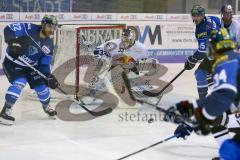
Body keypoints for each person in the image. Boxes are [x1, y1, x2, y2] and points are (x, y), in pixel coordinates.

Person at [166, 28, 240, 160]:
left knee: (219, 124)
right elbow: (221, 101)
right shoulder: (233, 57)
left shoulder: (228, 61)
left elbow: (220, 100)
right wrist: (190, 120)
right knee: (218, 123)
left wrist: (194, 113)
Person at [0, 15, 59, 125]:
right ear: (43, 24)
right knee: (19, 83)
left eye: (54, 27)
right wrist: (12, 42)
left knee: (42, 87)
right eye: (49, 26)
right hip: (13, 63)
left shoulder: (49, 45)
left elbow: (44, 63)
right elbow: (9, 28)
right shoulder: (29, 28)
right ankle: (5, 112)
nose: (51, 30)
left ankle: (46, 107)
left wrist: (48, 76)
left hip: (30, 66)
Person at [91, 28, 158, 99]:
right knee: (103, 62)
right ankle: (95, 85)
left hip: (131, 70)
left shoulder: (142, 48)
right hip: (114, 70)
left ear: (132, 39)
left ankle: (145, 87)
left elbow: (142, 65)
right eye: (123, 39)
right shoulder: (113, 44)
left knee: (149, 63)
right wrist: (106, 59)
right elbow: (97, 50)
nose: (124, 42)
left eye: (127, 40)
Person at [185, 5, 220, 99]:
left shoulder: (201, 30)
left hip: (218, 56)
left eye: (198, 15)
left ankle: (205, 101)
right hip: (219, 53)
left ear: (202, 15)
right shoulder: (214, 18)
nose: (195, 18)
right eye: (194, 15)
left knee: (200, 74)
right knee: (204, 74)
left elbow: (202, 50)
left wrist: (192, 59)